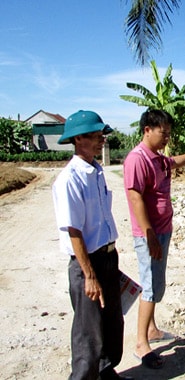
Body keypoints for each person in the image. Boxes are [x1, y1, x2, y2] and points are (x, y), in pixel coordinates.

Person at [123, 109, 185, 369]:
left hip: (163, 231)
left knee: (157, 282)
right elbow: (135, 197)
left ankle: (151, 329)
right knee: (150, 286)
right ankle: (141, 344)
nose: (166, 139)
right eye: (163, 133)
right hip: (150, 234)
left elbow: (174, 162)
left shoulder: (158, 159)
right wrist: (149, 234)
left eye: (169, 134)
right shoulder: (137, 159)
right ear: (147, 130)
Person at [52, 110, 131, 380]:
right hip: (89, 263)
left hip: (108, 258)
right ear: (78, 139)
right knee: (89, 334)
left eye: (101, 135)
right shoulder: (70, 179)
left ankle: (107, 373)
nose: (102, 140)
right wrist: (89, 275)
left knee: (112, 323)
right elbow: (74, 231)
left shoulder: (96, 172)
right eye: (96, 136)